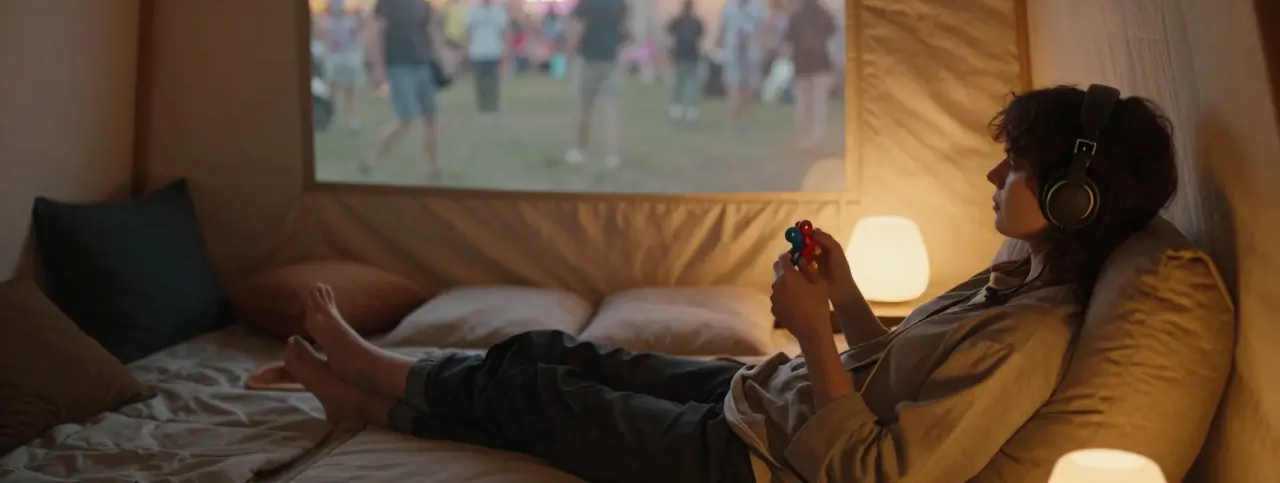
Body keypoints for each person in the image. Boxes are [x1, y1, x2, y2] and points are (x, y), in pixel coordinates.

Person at [284, 84, 1178, 483]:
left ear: (1073, 196)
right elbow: (891, 375)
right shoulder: (1014, 280)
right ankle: (372, 402)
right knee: (549, 351)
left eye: (1016, 165)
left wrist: (813, 335)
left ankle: (369, 378)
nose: (994, 177)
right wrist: (850, 298)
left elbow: (877, 472)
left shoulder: (1030, 342)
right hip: (759, 402)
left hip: (753, 463)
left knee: (542, 397)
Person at [359, 0, 451, 180]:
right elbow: (378, 31)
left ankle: (434, 167)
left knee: (431, 117)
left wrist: (442, 58)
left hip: (422, 65)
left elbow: (430, 32)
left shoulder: (422, 1)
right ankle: (371, 158)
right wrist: (379, 67)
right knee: (405, 118)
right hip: (399, 66)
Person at [565, 0, 629, 169]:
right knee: (610, 107)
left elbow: (578, 28)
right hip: (610, 58)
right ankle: (612, 155)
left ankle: (580, 150)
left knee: (585, 107)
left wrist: (569, 54)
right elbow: (627, 29)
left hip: (589, 58)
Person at [783, 0, 838, 149]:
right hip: (820, 63)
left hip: (802, 64)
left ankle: (805, 135)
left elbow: (788, 38)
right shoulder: (823, 13)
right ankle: (816, 135)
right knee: (818, 102)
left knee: (804, 102)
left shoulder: (796, 16)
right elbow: (832, 30)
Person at [717, 0, 768, 132]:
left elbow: (763, 27)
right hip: (733, 50)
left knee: (748, 88)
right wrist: (719, 40)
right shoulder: (730, 6)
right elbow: (723, 26)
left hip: (751, 51)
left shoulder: (758, 7)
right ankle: (733, 119)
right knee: (733, 86)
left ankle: (744, 118)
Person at [316, 0, 365, 131]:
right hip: (334, 58)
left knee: (351, 91)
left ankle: (352, 120)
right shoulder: (326, 21)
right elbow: (324, 38)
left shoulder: (350, 20)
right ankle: (328, 118)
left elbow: (357, 30)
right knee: (332, 92)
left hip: (349, 56)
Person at [466, 0, 510, 114]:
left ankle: (493, 104)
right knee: (480, 79)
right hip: (478, 50)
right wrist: (467, 46)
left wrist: (505, 47)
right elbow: (469, 30)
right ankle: (482, 104)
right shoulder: (474, 11)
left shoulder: (498, 12)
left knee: (493, 79)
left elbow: (504, 31)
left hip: (494, 50)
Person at [665, 0, 705, 122]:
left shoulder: (677, 20)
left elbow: (669, 31)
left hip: (681, 54)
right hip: (691, 55)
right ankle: (691, 109)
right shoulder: (696, 21)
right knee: (691, 83)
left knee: (679, 82)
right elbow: (701, 34)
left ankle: (677, 107)